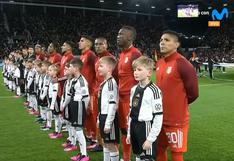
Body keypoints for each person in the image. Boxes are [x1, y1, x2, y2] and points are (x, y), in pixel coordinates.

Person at [155, 30, 199, 161]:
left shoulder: (183, 64)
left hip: (176, 120)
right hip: (159, 117)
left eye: (167, 40)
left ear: (177, 44)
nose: (162, 42)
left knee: (176, 153)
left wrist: (178, 105)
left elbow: (193, 94)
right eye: (161, 40)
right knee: (158, 149)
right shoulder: (160, 63)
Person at [126, 56, 163, 161]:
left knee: (147, 158)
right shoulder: (133, 89)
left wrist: (150, 139)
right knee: (138, 156)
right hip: (134, 126)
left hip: (145, 127)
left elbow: (158, 116)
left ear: (149, 73)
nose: (135, 72)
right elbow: (130, 113)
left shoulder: (154, 91)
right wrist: (129, 133)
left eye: (139, 70)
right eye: (134, 70)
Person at [117, 25, 142, 161]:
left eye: (121, 34)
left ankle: (138, 157)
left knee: (132, 131)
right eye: (118, 34)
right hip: (120, 99)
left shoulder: (135, 54)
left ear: (130, 37)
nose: (118, 36)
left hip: (130, 100)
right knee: (124, 130)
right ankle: (126, 158)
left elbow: (141, 78)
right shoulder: (122, 54)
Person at [88, 37, 117, 152]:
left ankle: (108, 143)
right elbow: (96, 77)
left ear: (106, 45)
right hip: (97, 93)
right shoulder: (97, 59)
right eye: (96, 44)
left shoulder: (110, 59)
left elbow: (114, 79)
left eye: (101, 44)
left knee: (105, 119)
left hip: (106, 94)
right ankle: (100, 143)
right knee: (98, 118)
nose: (98, 46)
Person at [61, 57, 90, 160]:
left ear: (76, 68)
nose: (70, 68)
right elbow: (69, 95)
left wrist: (83, 109)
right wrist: (64, 104)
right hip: (74, 105)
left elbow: (86, 97)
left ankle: (84, 155)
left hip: (79, 106)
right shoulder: (74, 80)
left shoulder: (81, 81)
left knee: (78, 130)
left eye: (71, 67)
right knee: (75, 128)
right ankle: (81, 152)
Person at [97, 56, 120, 161]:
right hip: (103, 115)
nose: (98, 68)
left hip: (109, 118)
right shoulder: (105, 83)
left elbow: (112, 105)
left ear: (110, 68)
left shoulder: (111, 83)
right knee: (105, 143)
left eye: (101, 66)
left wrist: (108, 123)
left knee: (111, 144)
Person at [78, 35, 97, 145]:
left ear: (89, 44)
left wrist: (93, 88)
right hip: (82, 90)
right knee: (86, 114)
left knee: (91, 113)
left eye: (82, 41)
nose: (79, 42)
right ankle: (90, 135)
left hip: (90, 90)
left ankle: (95, 138)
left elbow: (96, 71)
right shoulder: (82, 56)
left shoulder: (90, 55)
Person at [47, 64, 63, 139]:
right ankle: (57, 131)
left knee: (57, 116)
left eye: (50, 70)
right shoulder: (51, 79)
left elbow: (55, 92)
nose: (48, 72)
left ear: (55, 72)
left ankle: (58, 132)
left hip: (55, 99)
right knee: (55, 116)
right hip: (52, 99)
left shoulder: (55, 80)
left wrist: (52, 104)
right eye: (49, 70)